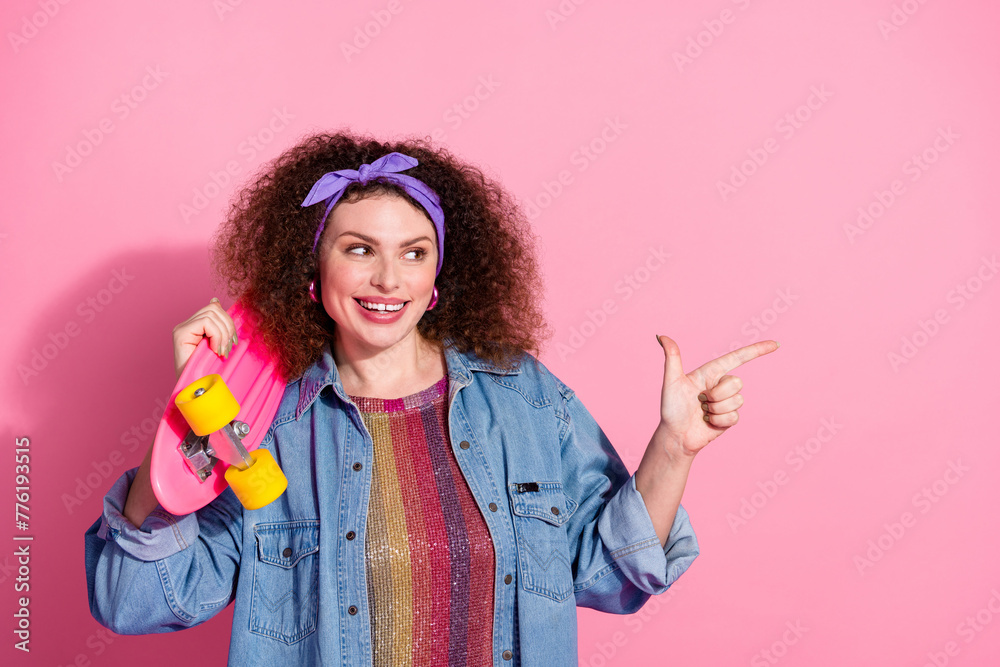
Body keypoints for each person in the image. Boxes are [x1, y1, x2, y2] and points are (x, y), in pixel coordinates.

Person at [84, 131, 777, 666]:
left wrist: (674, 446)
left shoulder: (521, 397)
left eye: (414, 252)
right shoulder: (265, 423)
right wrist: (188, 415)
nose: (389, 277)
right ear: (312, 272)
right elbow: (135, 600)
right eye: (359, 249)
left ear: (440, 272)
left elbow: (609, 574)